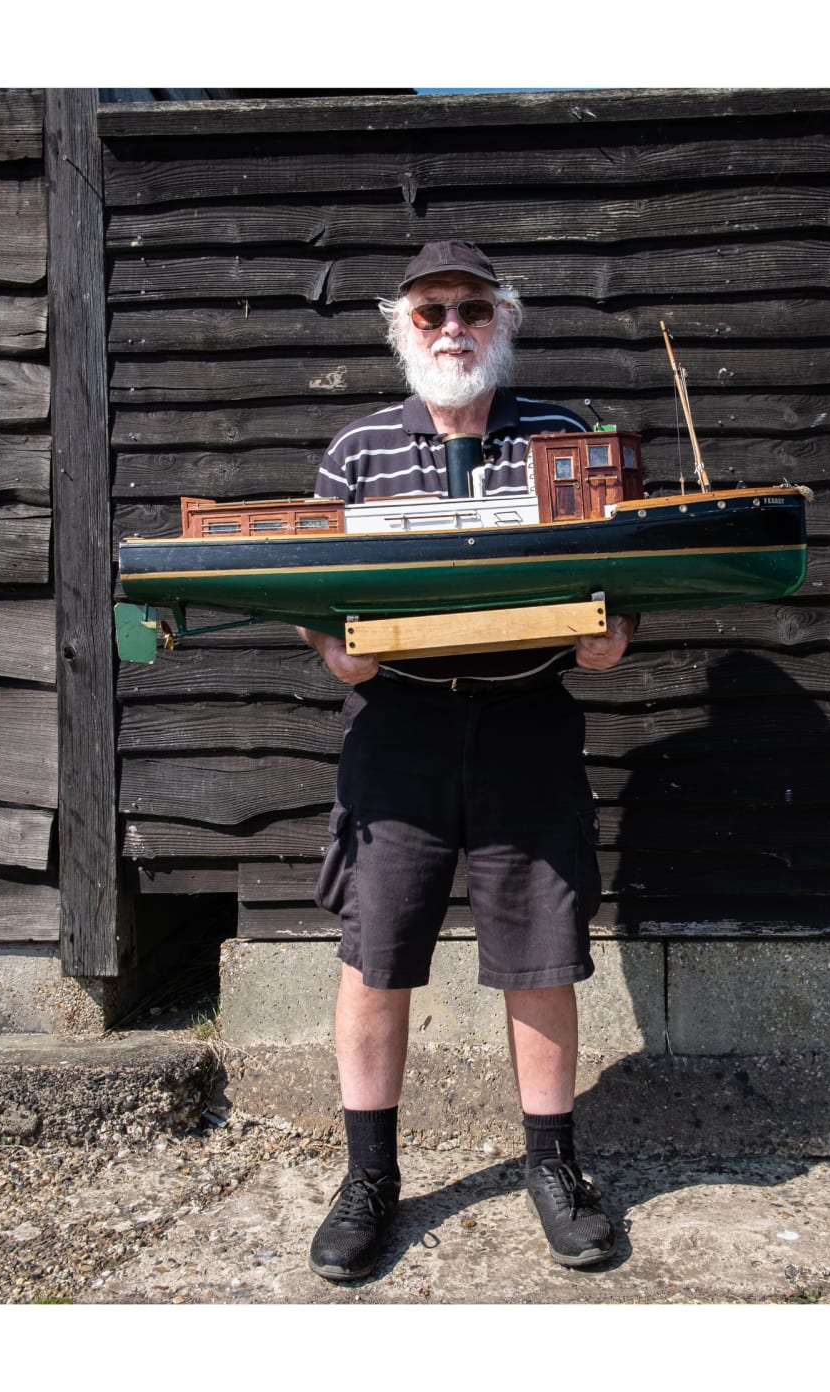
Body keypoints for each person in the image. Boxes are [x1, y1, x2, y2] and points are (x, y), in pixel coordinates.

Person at [296, 240, 635, 1280]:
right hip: (397, 731)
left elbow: (618, 580)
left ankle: (552, 1166)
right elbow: (306, 588)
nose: (452, 328)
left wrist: (610, 633)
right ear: (401, 328)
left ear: (502, 323)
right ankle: (369, 1179)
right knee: (375, 951)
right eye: (431, 312)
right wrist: (331, 649)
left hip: (528, 720)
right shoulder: (355, 451)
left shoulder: (564, 439)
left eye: (471, 310)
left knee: (539, 953)